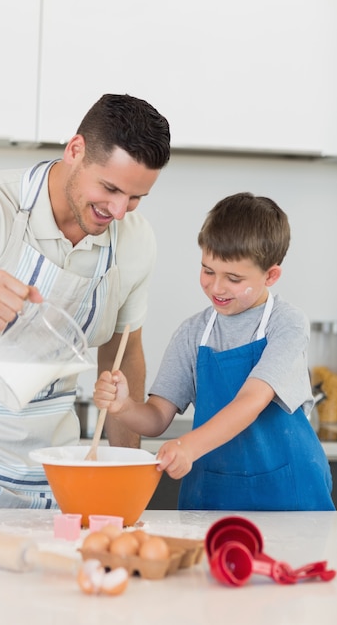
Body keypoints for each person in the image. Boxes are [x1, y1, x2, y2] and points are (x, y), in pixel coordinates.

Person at [0, 93, 171, 507]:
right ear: (75, 150)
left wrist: (127, 478)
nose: (120, 211)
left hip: (53, 474)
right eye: (109, 188)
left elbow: (122, 357)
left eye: (135, 198)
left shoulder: (135, 241)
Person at [94, 192, 335, 511]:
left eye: (233, 278)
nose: (217, 287)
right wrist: (124, 406)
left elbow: (251, 401)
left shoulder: (287, 324)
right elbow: (156, 418)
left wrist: (189, 446)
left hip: (289, 497)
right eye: (208, 270)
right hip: (213, 499)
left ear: (271, 275)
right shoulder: (192, 333)